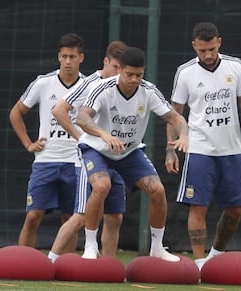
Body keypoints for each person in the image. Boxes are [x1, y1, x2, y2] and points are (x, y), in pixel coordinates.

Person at [76, 46, 188, 262]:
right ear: (120, 70)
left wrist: (183, 136)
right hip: (97, 148)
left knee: (157, 190)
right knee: (102, 186)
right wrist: (103, 135)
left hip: (128, 152)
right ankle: (90, 245)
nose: (134, 79)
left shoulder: (149, 91)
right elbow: (82, 118)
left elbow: (175, 118)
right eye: (129, 74)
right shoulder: (103, 89)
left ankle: (156, 247)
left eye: (139, 75)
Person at [165, 22, 241, 270]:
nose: (207, 55)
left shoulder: (235, 66)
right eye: (202, 50)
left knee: (236, 209)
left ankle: (216, 256)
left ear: (219, 42)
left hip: (231, 150)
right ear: (194, 46)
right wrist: (170, 150)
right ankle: (199, 264)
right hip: (198, 149)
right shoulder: (185, 72)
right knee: (198, 205)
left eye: (211, 49)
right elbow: (174, 114)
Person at [47, 41, 127, 262]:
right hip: (90, 158)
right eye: (115, 68)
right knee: (81, 216)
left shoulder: (125, 86)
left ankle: (109, 267)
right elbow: (59, 110)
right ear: (106, 62)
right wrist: (82, 138)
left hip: (117, 158)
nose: (118, 73)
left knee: (114, 217)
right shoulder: (90, 83)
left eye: (123, 69)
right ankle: (50, 261)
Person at [9, 33, 85, 251]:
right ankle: (23, 264)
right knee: (33, 215)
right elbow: (16, 112)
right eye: (64, 56)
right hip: (46, 161)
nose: (68, 61)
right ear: (58, 57)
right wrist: (28, 144)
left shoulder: (89, 86)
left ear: (81, 57)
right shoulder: (44, 83)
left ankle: (65, 268)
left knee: (69, 219)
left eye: (72, 56)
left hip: (76, 162)